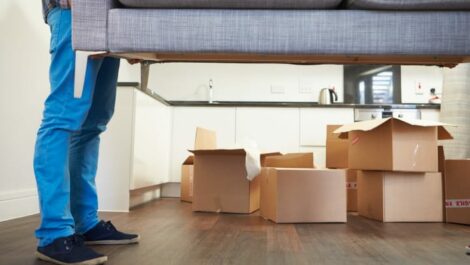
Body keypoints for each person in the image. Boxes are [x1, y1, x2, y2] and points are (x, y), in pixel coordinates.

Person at [34, 1, 139, 264]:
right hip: (73, 12)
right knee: (62, 118)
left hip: (107, 18)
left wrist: (130, 35)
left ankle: (85, 222)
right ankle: (54, 233)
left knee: (93, 124)